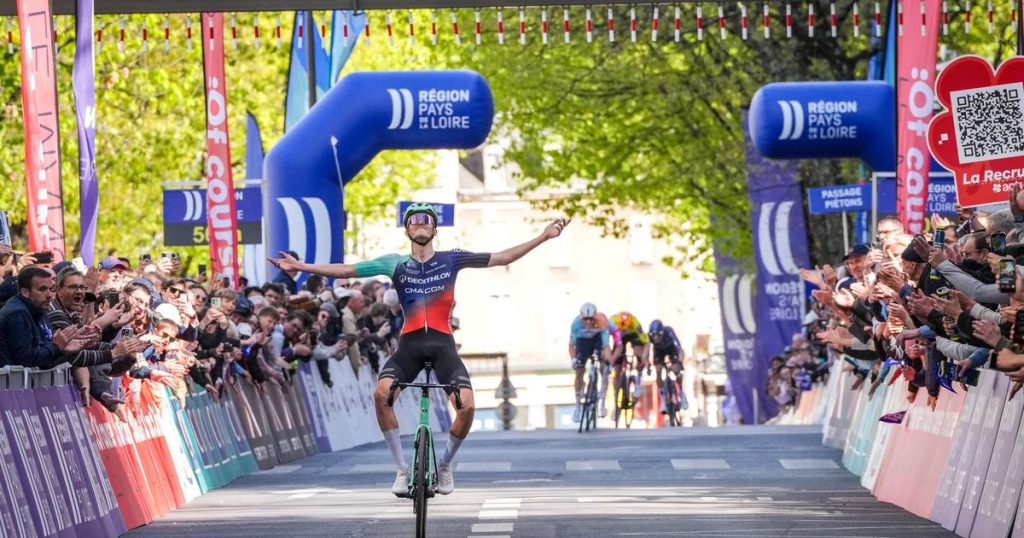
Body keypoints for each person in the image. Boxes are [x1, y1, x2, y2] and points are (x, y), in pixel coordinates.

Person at [269, 203, 569, 497]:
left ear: (435, 229)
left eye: (427, 219)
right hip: (410, 346)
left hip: (443, 346)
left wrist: (543, 237)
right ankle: (401, 469)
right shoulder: (395, 263)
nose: (421, 223)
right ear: (407, 230)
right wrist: (301, 267)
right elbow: (346, 270)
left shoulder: (452, 259)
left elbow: (502, 257)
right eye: (414, 220)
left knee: (467, 408)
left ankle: (445, 465)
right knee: (380, 395)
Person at [568, 303, 612, 421]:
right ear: (581, 317)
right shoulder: (576, 324)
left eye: (591, 319)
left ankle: (602, 402)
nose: (588, 322)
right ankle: (577, 405)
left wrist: (609, 362)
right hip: (582, 342)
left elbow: (606, 346)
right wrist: (574, 359)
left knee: (604, 366)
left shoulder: (602, 322)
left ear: (595, 316)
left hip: (596, 341)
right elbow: (571, 345)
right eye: (585, 319)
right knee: (579, 370)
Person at [648, 319, 684, 414]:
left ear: (662, 333)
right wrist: (648, 364)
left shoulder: (669, 332)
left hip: (671, 349)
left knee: (676, 369)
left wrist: (679, 362)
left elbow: (679, 350)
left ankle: (681, 393)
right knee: (658, 370)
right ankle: (663, 400)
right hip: (659, 351)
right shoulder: (650, 337)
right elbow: (647, 349)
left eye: (658, 336)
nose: (656, 339)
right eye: (654, 336)